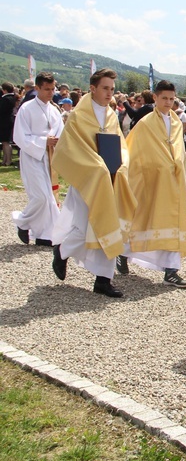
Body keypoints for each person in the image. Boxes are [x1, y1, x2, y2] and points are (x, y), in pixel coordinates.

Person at [50, 68, 135, 298]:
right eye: (105, 88)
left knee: (109, 225)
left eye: (112, 89)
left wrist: (122, 164)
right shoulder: (79, 115)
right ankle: (62, 250)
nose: (110, 93)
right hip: (88, 179)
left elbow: (121, 145)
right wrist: (97, 167)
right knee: (88, 227)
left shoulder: (110, 115)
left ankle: (103, 280)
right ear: (93, 88)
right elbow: (71, 148)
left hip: (110, 179)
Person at [116, 80, 186, 288]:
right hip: (151, 181)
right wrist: (156, 166)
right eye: (164, 98)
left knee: (173, 222)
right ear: (155, 98)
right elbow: (135, 150)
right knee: (143, 217)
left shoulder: (177, 122)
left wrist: (177, 162)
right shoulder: (145, 123)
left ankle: (171, 270)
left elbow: (176, 148)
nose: (168, 102)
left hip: (173, 182)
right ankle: (123, 252)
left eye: (171, 99)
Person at [11, 72, 63, 246]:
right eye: (46, 89)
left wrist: (56, 142)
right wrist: (43, 141)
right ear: (37, 88)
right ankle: (23, 222)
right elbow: (19, 136)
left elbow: (60, 132)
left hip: (49, 157)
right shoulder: (27, 108)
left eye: (52, 89)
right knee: (40, 196)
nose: (50, 92)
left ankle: (44, 234)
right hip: (32, 156)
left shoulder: (54, 110)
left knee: (49, 197)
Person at [0, 82, 16, 167]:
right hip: (7, 121)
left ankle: (8, 160)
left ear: (5, 90)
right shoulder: (12, 97)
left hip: (5, 122)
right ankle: (5, 159)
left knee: (6, 142)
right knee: (4, 142)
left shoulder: (6, 99)